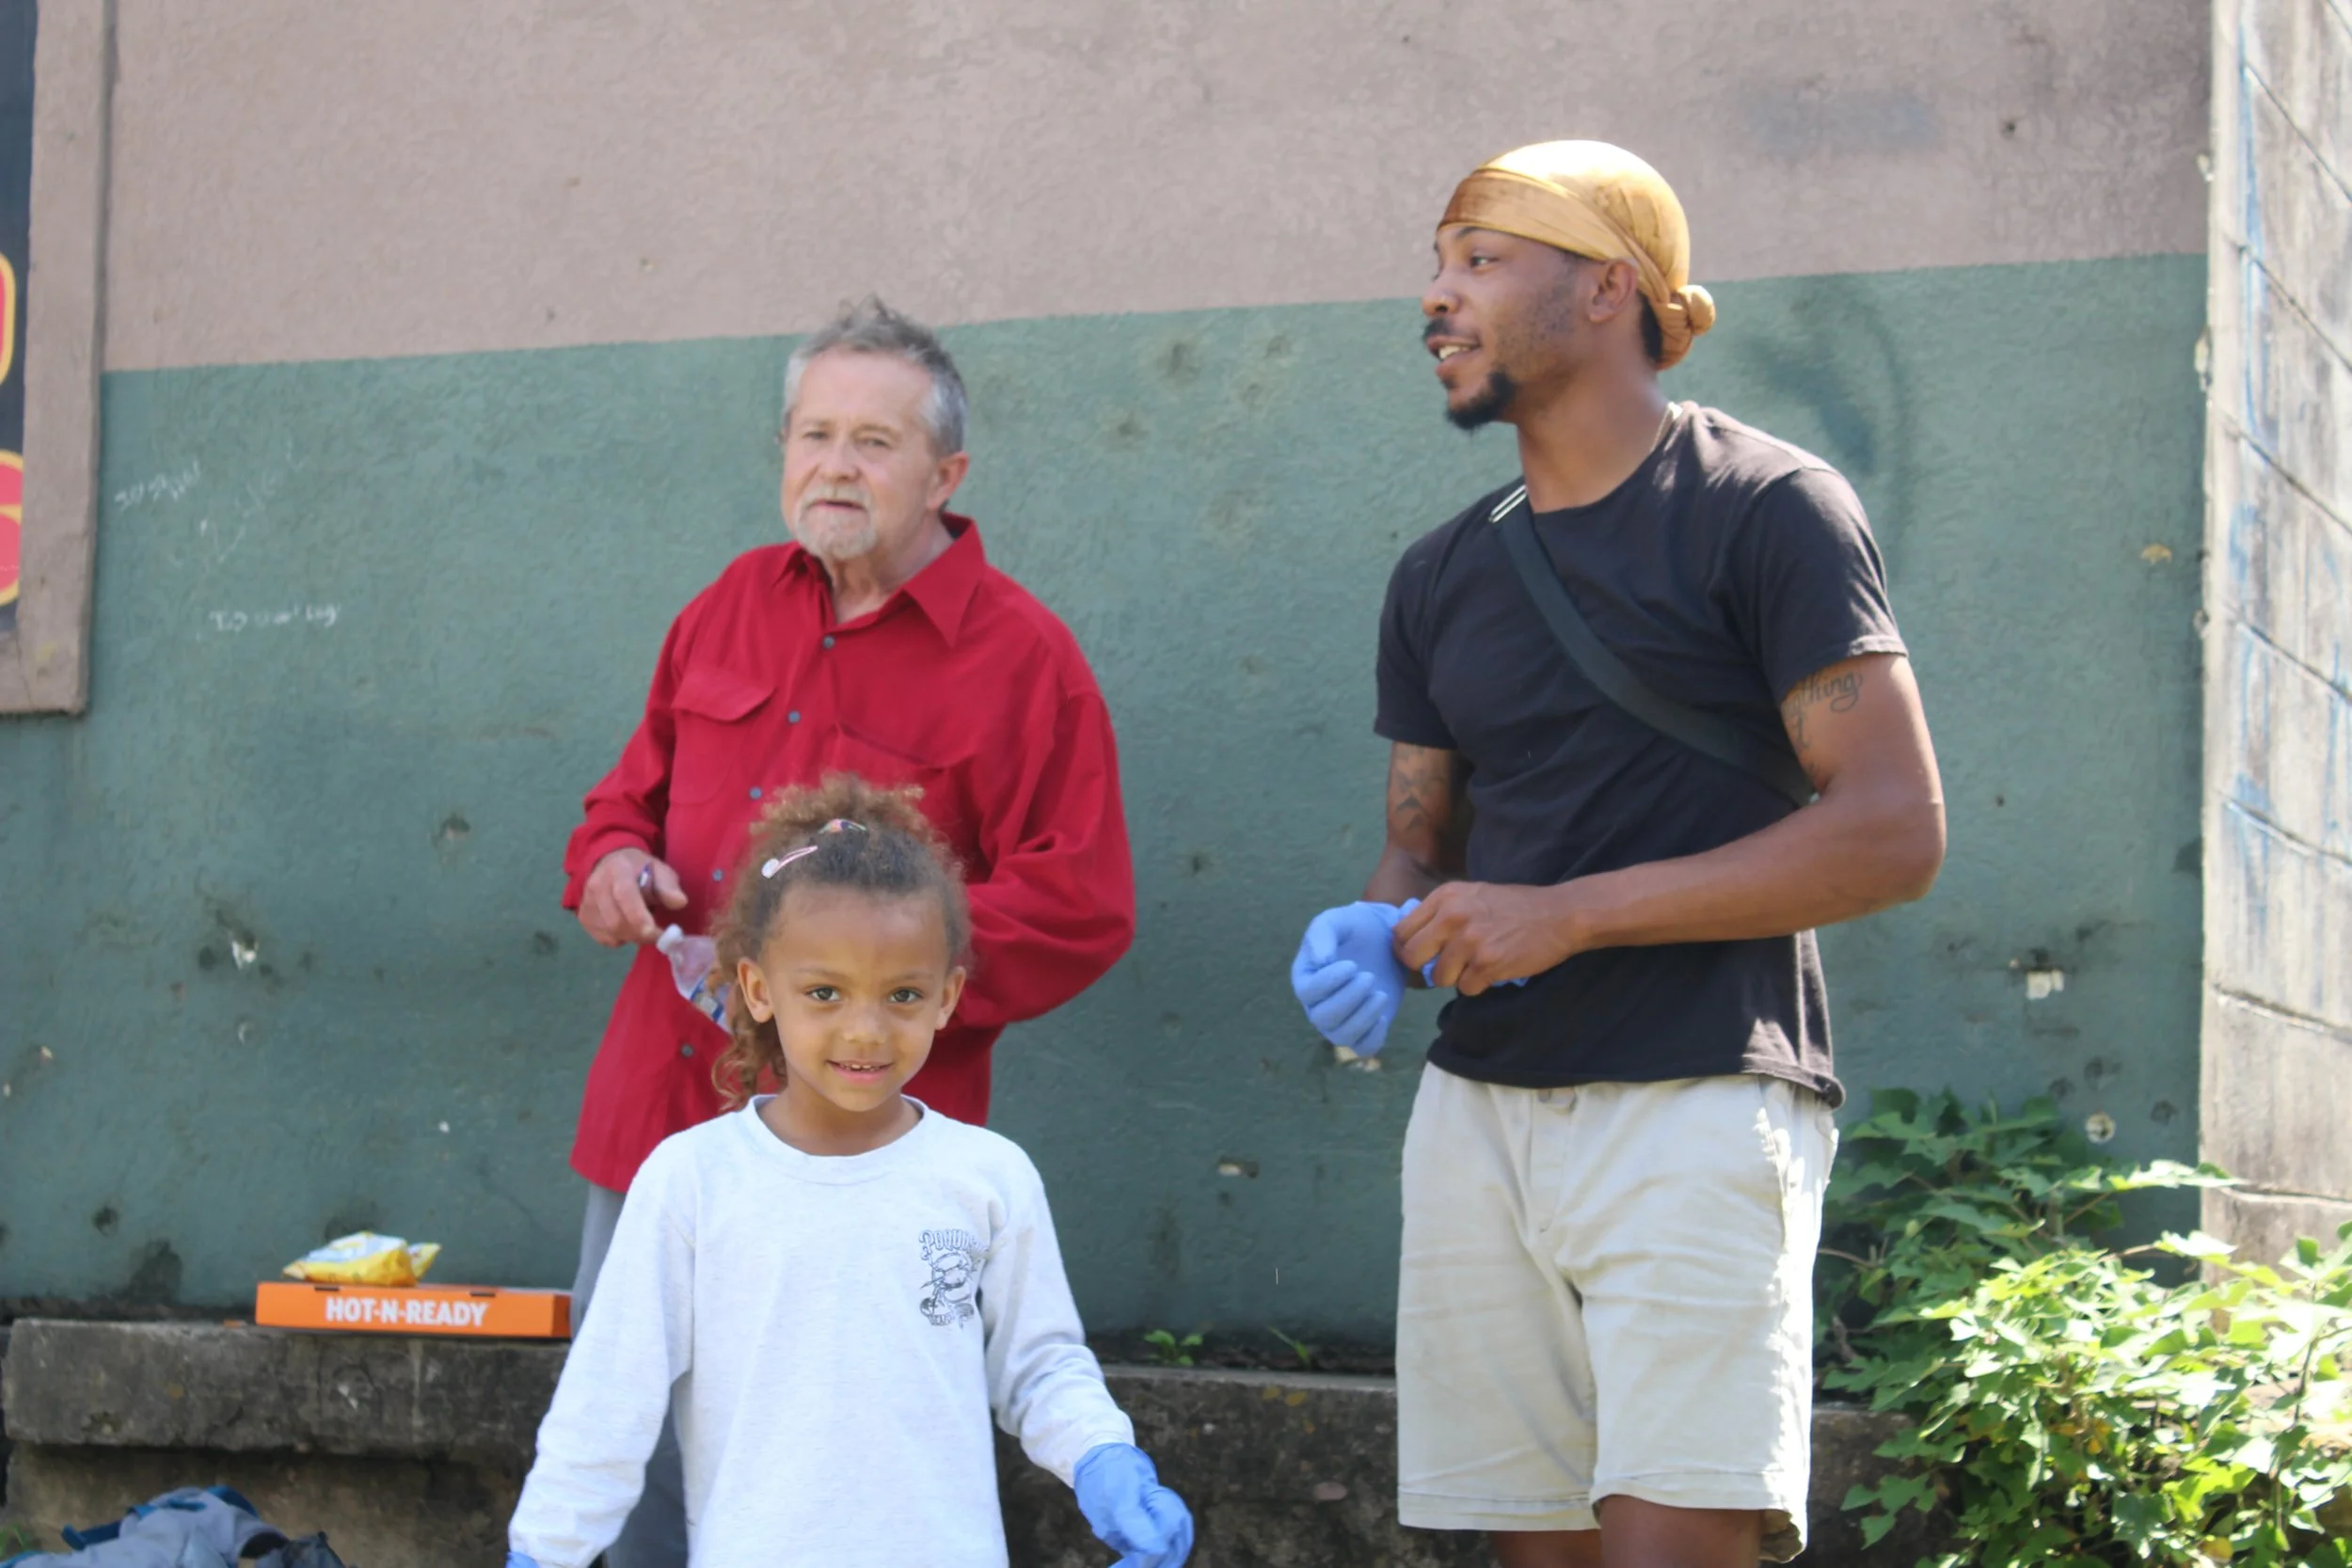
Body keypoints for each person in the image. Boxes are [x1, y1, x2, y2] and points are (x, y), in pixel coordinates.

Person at [1289, 141, 1945, 1568]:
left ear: (1606, 289)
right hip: (1483, 1116)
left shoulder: (1768, 507)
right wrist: (1369, 923)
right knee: (1540, 1548)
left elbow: (1894, 831)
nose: (1435, 298)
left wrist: (1569, 914)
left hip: (1706, 1091)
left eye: (1479, 260)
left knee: (1672, 1545)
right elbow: (1422, 837)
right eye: (1437, 262)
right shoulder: (1442, 571)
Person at [558, 300, 1136, 1560]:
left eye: (874, 440)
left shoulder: (1027, 660)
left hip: (869, 1156)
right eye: (814, 433)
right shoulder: (723, 607)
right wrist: (610, 859)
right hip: (663, 1119)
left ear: (947, 474)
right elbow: (626, 796)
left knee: (841, 1458)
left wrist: (872, 970)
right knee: (627, 1449)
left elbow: (1084, 902)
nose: (836, 463)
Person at [509, 778, 1192, 1568]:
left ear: (948, 997)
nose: (864, 1029)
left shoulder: (990, 1177)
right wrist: (544, 1552)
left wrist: (1104, 1455)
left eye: (902, 993)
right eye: (824, 991)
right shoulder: (692, 1181)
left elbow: (1041, 1366)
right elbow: (606, 1406)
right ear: (758, 990)